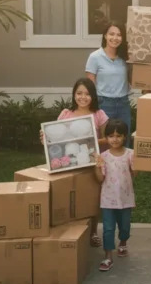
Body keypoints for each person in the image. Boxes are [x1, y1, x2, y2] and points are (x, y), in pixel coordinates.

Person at [40, 78, 108, 248]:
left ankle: (92, 232)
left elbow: (108, 139)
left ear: (93, 96)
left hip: (90, 163)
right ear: (74, 95)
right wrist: (45, 139)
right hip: (68, 163)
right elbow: (55, 138)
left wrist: (90, 142)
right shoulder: (66, 114)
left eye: (87, 94)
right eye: (79, 93)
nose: (83, 97)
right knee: (70, 196)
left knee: (91, 198)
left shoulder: (99, 114)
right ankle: (71, 230)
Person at [93, 119, 135, 272]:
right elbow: (100, 179)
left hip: (126, 198)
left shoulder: (131, 154)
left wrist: (138, 164)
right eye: (111, 136)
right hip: (108, 199)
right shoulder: (103, 156)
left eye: (118, 136)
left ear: (125, 137)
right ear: (106, 137)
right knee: (108, 229)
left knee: (124, 227)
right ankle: (108, 256)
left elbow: (135, 173)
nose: (115, 139)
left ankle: (123, 243)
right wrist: (96, 166)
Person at [86, 22, 133, 141]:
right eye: (111, 34)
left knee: (124, 139)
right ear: (105, 36)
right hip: (104, 104)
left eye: (119, 35)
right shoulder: (95, 57)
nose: (115, 38)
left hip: (123, 103)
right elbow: (90, 86)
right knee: (105, 140)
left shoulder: (126, 58)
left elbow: (133, 79)